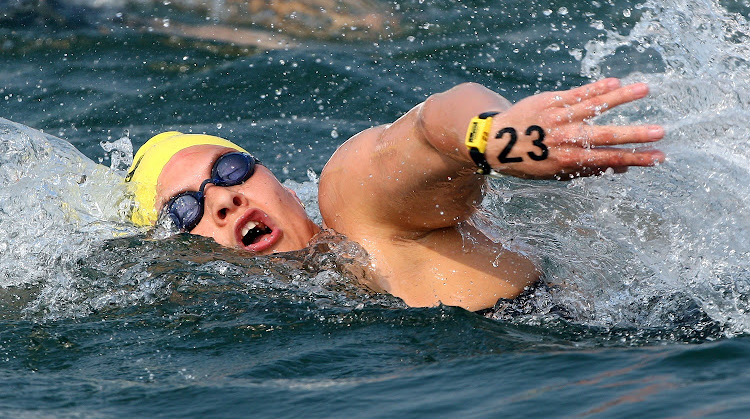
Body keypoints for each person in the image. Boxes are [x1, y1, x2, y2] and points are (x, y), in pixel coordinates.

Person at [125, 78, 664, 311]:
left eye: (230, 168)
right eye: (186, 208)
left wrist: (493, 137)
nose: (224, 199)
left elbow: (430, 126)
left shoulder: (356, 213)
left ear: (275, 181)